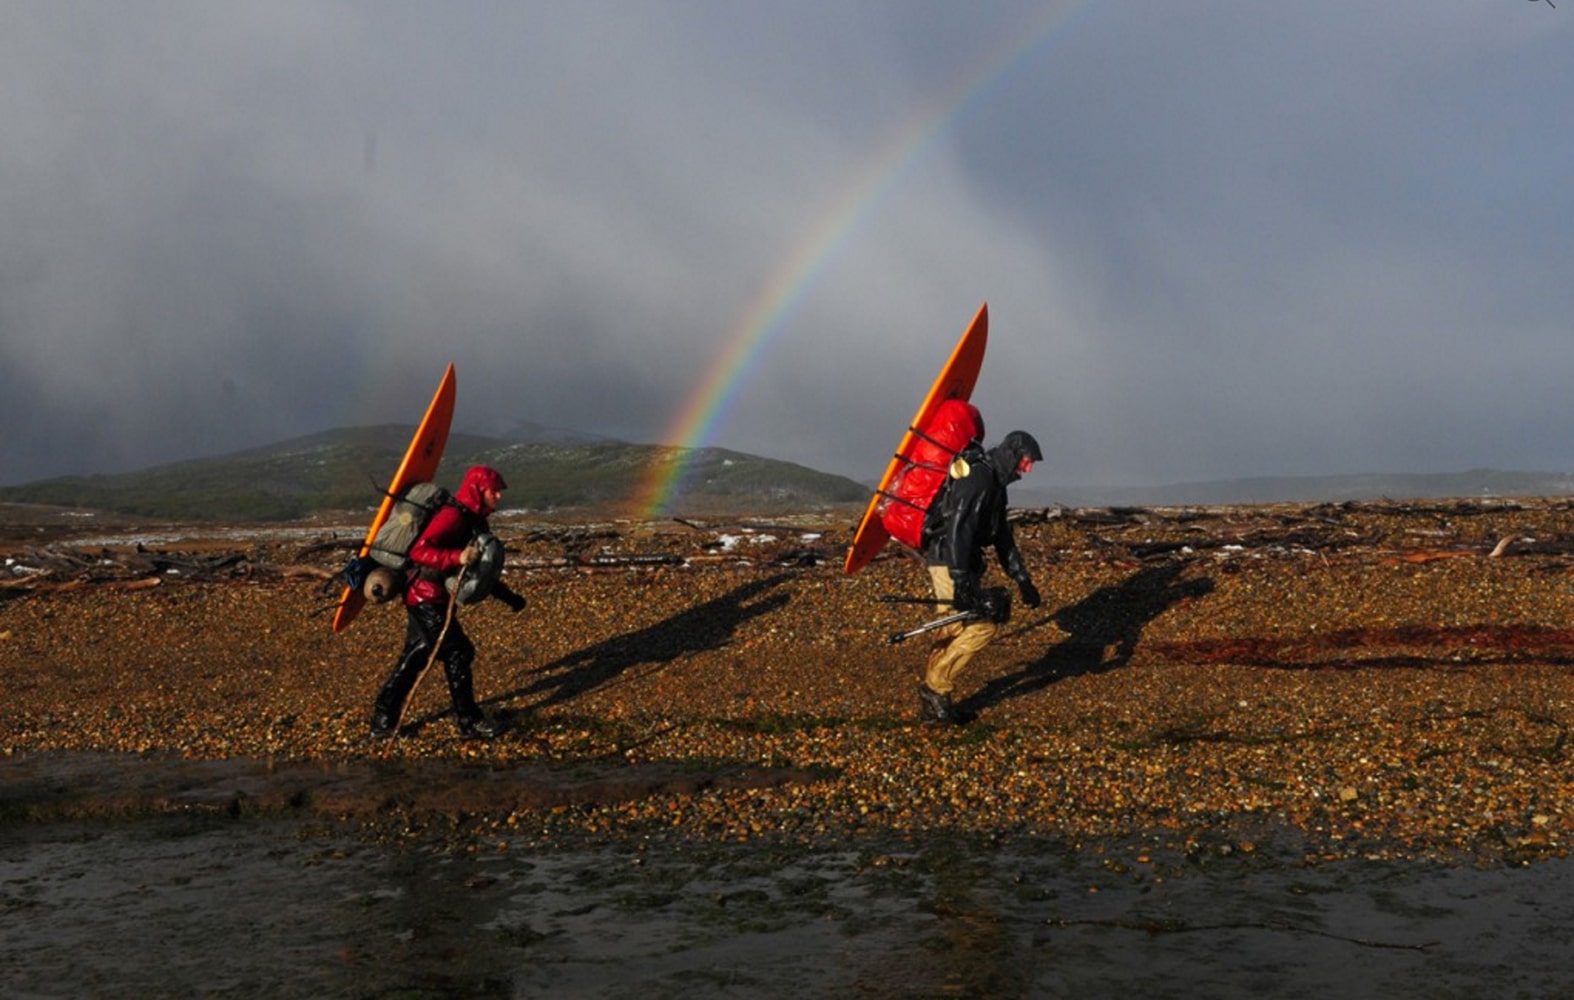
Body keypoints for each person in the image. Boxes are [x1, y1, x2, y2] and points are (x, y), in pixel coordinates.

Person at [370, 464, 526, 739]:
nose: (499, 496)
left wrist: (509, 598)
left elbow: (479, 572)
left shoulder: (475, 520)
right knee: (459, 653)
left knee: (417, 654)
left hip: (433, 597)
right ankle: (469, 721)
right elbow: (420, 552)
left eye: (500, 492)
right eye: (495, 491)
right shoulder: (453, 516)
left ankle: (383, 720)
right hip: (424, 595)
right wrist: (457, 557)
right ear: (478, 490)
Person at [916, 430, 1044, 725]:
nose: (1029, 468)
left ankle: (936, 704)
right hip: (950, 562)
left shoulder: (996, 485)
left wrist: (1022, 579)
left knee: (953, 628)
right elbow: (960, 527)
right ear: (1013, 454)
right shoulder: (979, 478)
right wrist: (960, 579)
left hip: (958, 563)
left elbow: (1002, 537)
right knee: (977, 628)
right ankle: (935, 690)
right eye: (1027, 461)